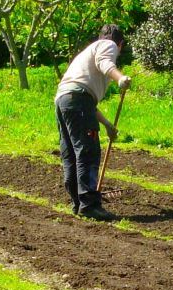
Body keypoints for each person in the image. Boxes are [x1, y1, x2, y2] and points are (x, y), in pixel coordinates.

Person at [55, 24, 131, 221]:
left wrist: (107, 124)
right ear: (120, 44)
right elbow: (104, 63)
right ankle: (89, 204)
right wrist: (120, 77)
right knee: (88, 152)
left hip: (64, 100)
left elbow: (85, 102)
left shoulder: (87, 53)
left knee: (71, 152)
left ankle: (77, 202)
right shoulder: (108, 45)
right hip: (77, 100)